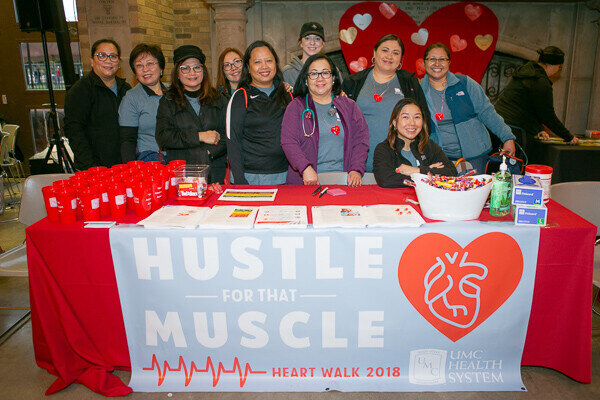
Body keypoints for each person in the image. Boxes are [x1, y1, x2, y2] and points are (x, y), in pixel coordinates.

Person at [420, 43, 516, 174]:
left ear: (449, 63)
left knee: (474, 193)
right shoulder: (418, 90)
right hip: (440, 159)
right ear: (424, 63)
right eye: (432, 59)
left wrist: (507, 137)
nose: (437, 63)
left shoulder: (465, 83)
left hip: (474, 156)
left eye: (442, 59)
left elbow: (487, 112)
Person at [343, 34, 431, 173]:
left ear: (400, 59)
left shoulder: (409, 83)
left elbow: (424, 119)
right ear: (374, 53)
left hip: (400, 162)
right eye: (385, 50)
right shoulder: (353, 82)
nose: (389, 56)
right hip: (359, 161)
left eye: (395, 53)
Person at [281, 54, 369, 186]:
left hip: (345, 180)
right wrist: (305, 168)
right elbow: (289, 142)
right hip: (307, 180)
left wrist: (356, 169)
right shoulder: (296, 107)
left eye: (325, 73)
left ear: (333, 78)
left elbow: (361, 140)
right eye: (314, 74)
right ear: (306, 79)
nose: (320, 78)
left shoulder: (349, 106)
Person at [155, 45, 227, 183]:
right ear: (177, 72)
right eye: (185, 68)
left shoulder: (218, 98)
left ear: (203, 70)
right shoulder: (168, 101)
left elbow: (228, 135)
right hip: (183, 173)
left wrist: (208, 154)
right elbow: (163, 137)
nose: (192, 73)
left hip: (215, 170)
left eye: (197, 67)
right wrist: (199, 136)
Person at [226, 40, 293, 185]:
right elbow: (233, 141)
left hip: (286, 175)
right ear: (248, 68)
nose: (264, 66)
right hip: (251, 177)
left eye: (269, 60)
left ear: (276, 63)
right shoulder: (240, 96)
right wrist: (239, 180)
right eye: (257, 62)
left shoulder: (288, 94)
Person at [64, 39, 131, 170]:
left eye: (113, 56)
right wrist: (90, 166)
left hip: (122, 165)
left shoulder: (126, 89)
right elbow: (74, 131)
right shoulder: (81, 90)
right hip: (93, 168)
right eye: (102, 55)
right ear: (91, 60)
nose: (108, 60)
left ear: (118, 62)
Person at [494, 46, 578, 146]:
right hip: (514, 129)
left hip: (498, 124)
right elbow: (547, 115)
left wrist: (539, 129)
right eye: (559, 67)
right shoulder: (540, 81)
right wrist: (568, 136)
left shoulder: (527, 71)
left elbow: (529, 107)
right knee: (516, 161)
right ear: (552, 65)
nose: (558, 70)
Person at [373, 98, 457, 188]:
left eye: (417, 117)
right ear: (394, 122)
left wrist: (417, 170)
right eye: (405, 117)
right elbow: (385, 180)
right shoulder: (384, 149)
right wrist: (429, 172)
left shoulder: (429, 146)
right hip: (396, 200)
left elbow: (451, 172)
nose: (412, 123)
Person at [118, 43, 167, 163]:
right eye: (139, 66)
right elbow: (127, 140)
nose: (145, 69)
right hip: (150, 161)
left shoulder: (174, 92)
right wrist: (130, 170)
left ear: (161, 67)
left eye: (150, 63)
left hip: (179, 159)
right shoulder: (131, 98)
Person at [282, 22, 327, 87]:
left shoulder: (332, 70)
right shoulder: (288, 72)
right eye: (307, 38)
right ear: (300, 43)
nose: (312, 43)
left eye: (317, 39)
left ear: (323, 44)